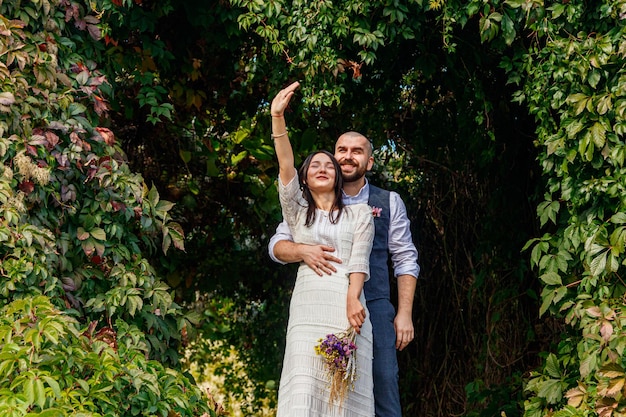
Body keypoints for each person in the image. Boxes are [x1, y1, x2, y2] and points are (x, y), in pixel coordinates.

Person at [269, 103, 420, 417]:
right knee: (310, 385)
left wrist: (404, 313)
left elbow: (405, 259)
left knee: (381, 383)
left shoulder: (384, 203)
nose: (348, 156)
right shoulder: (302, 204)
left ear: (369, 160)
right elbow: (277, 246)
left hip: (371, 303)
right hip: (314, 304)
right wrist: (302, 251)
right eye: (341, 150)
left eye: (357, 150)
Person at [271, 81, 376, 417]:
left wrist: (352, 298)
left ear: (337, 177)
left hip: (346, 306)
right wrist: (277, 118)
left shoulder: (360, 212)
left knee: (343, 393)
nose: (322, 168)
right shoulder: (298, 212)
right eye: (314, 165)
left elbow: (359, 259)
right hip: (307, 309)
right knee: (304, 390)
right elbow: (285, 164)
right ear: (305, 177)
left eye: (328, 166)